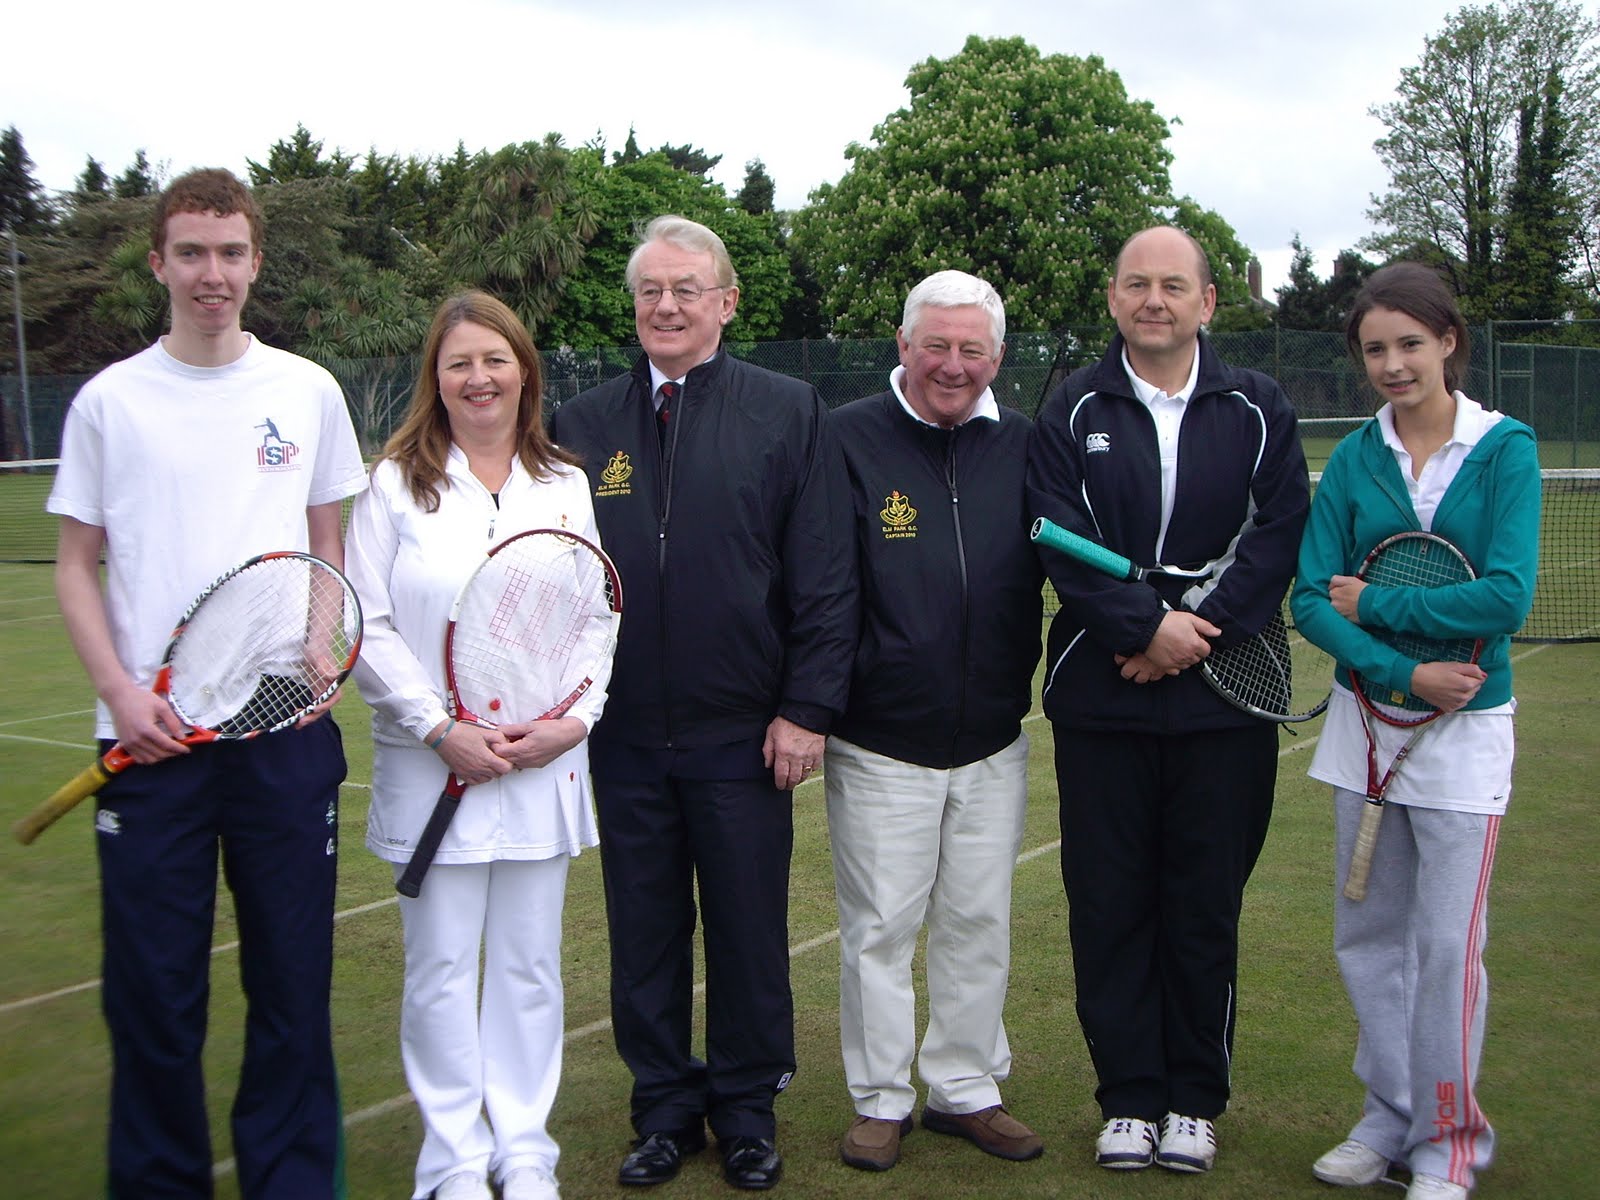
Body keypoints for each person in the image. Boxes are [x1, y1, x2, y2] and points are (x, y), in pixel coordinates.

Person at [45, 168, 366, 1198]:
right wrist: (122, 695)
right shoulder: (109, 403)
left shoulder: (306, 390)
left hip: (279, 734)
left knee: (289, 991)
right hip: (149, 745)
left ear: (255, 261)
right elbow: (73, 563)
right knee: (153, 1001)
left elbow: (326, 545)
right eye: (191, 252)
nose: (211, 273)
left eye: (230, 252)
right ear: (159, 262)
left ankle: (291, 1181)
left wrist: (321, 647)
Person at [548, 215, 855, 1191]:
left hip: (744, 733)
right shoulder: (581, 424)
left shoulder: (787, 409)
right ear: (632, 305)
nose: (667, 306)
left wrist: (806, 708)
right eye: (651, 291)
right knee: (642, 935)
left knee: (748, 931)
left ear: (726, 302)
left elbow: (825, 575)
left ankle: (746, 1110)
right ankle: (664, 1111)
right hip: (624, 734)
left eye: (687, 289)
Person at [1025, 225, 1309, 1174]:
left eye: (1173, 286)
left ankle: (1193, 1099)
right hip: (1103, 697)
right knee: (1107, 903)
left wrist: (1194, 633)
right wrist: (1142, 628)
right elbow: (1056, 533)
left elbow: (1278, 536)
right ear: (1113, 298)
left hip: (1222, 701)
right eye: (1137, 285)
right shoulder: (1071, 406)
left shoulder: (1258, 406)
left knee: (1203, 903)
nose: (1155, 300)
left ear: (1207, 302)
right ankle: (1129, 1099)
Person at [344, 291, 606, 1200]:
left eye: (495, 359)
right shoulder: (393, 486)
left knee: (531, 967)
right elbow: (363, 625)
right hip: (434, 770)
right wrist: (438, 727)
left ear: (524, 370)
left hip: (544, 765)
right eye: (459, 362)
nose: (479, 377)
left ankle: (525, 1150)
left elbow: (595, 618)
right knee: (442, 972)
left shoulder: (564, 484)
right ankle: (452, 1162)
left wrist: (572, 721)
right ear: (436, 378)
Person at [1290, 263, 1539, 1200]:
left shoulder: (1505, 449)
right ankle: (1389, 1117)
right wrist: (1402, 671)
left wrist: (1383, 604)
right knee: (1368, 936)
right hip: (1367, 726)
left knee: (1446, 947)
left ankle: (1450, 1141)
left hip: (1467, 737)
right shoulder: (1355, 458)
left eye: (1409, 344)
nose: (1393, 364)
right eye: (1375, 349)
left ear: (1448, 342)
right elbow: (1313, 599)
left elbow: (1507, 593)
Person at [824, 270, 1045, 1173]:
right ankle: (881, 1098)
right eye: (937, 346)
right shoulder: (843, 440)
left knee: (978, 920)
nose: (953, 366)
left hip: (994, 737)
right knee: (880, 927)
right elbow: (823, 591)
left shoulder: (1026, 446)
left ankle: (965, 1088)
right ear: (904, 345)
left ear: (996, 357)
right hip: (882, 741)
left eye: (973, 350)